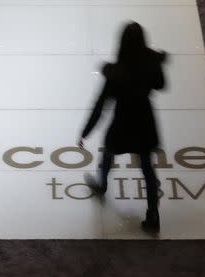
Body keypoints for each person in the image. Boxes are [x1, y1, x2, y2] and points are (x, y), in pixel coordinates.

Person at [78, 22, 168, 233]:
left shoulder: (116, 73)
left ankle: (102, 186)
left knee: (108, 152)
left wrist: (85, 132)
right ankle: (153, 214)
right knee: (147, 167)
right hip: (144, 119)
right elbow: (160, 85)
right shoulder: (152, 63)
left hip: (123, 121)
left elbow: (100, 106)